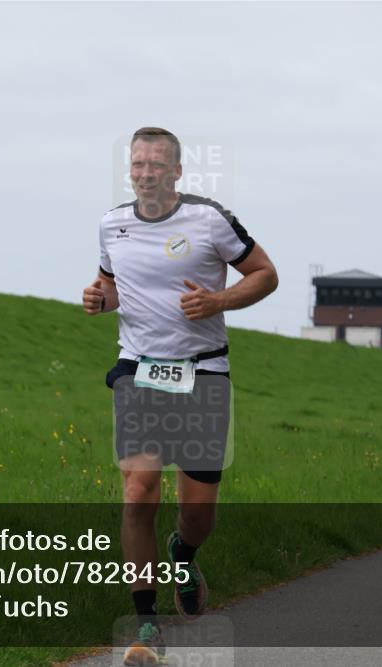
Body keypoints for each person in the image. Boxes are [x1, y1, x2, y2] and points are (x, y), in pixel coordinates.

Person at [82, 127, 278, 665]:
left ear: (177, 172)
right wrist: (101, 298)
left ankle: (184, 555)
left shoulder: (209, 219)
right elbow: (113, 286)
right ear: (130, 169)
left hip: (203, 372)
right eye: (138, 164)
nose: (146, 173)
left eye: (156, 165)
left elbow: (265, 275)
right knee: (139, 489)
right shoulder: (111, 225)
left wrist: (219, 300)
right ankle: (147, 624)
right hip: (138, 369)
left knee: (198, 514)